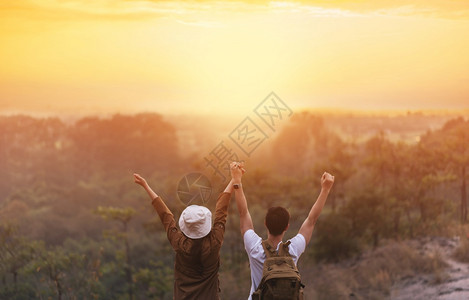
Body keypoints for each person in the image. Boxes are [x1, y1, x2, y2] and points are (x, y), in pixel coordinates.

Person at [229, 162, 335, 299]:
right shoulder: (293, 250)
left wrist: (237, 181)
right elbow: (311, 220)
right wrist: (325, 189)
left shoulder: (255, 248)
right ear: (287, 227)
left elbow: (243, 213)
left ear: (265, 224)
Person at [133, 173, 234, 299]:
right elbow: (221, 212)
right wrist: (234, 179)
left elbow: (166, 217)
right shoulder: (215, 243)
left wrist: (146, 186)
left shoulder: (179, 244)